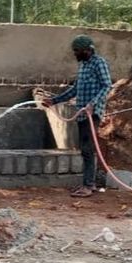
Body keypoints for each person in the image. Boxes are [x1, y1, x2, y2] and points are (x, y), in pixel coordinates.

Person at [42, 35, 112, 197]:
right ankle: (89, 184)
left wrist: (92, 104)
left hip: (91, 113)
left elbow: (107, 85)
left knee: (87, 149)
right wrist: (54, 101)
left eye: (77, 51)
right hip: (82, 113)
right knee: (85, 150)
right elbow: (75, 90)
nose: (75, 54)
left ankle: (88, 185)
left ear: (87, 50)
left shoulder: (98, 63)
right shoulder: (83, 66)